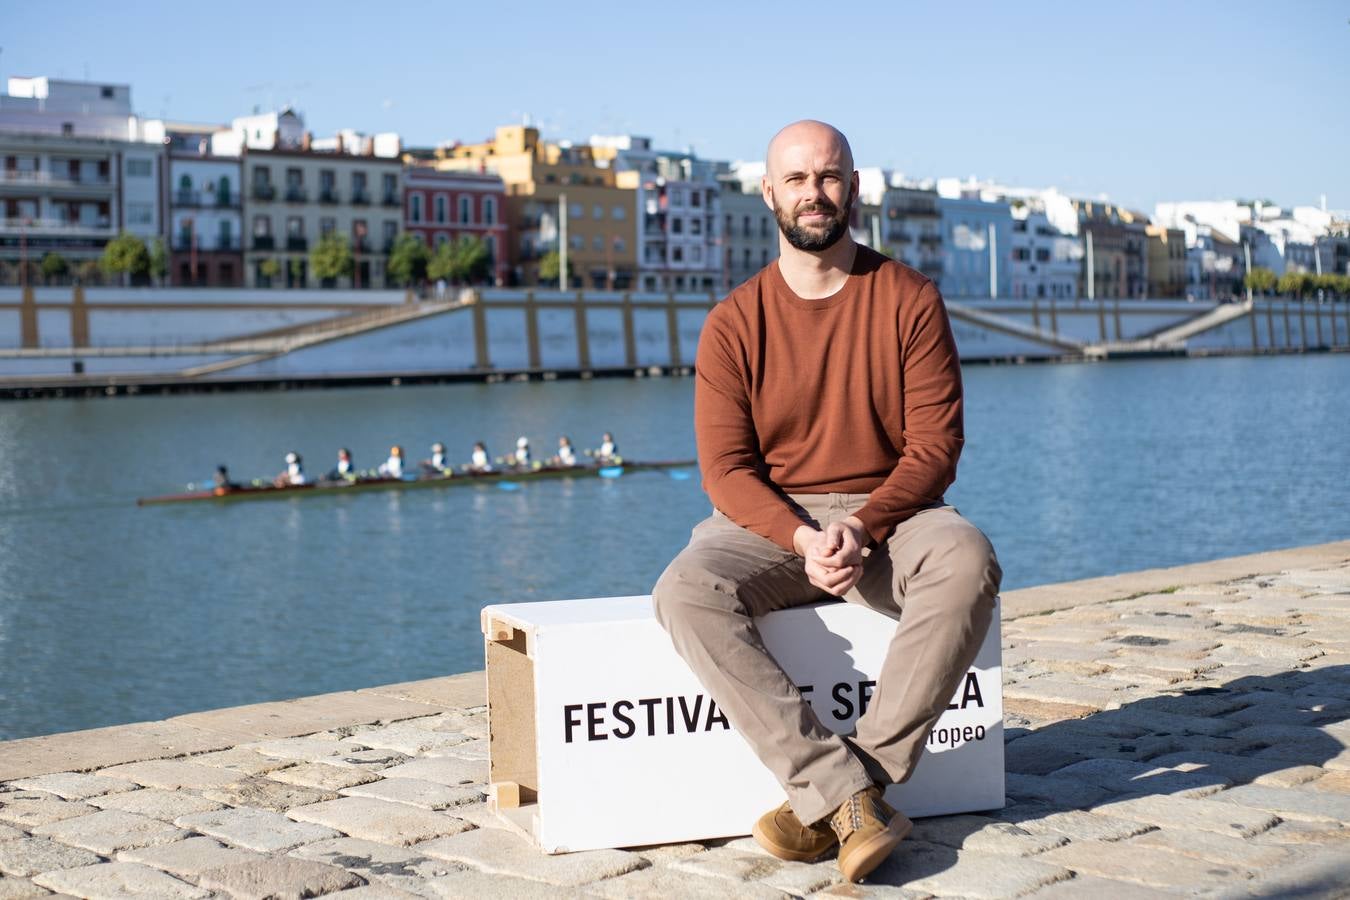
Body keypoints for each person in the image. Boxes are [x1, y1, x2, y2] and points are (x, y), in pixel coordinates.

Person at [651, 121, 1001, 884]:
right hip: (772, 522)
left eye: (831, 176)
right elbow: (725, 469)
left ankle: (850, 792)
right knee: (685, 590)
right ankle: (845, 794)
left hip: (892, 515)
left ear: (855, 188)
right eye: (799, 179)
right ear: (770, 193)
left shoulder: (909, 299)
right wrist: (803, 535)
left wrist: (864, 525)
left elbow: (934, 449)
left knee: (967, 558)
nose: (816, 193)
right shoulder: (734, 323)